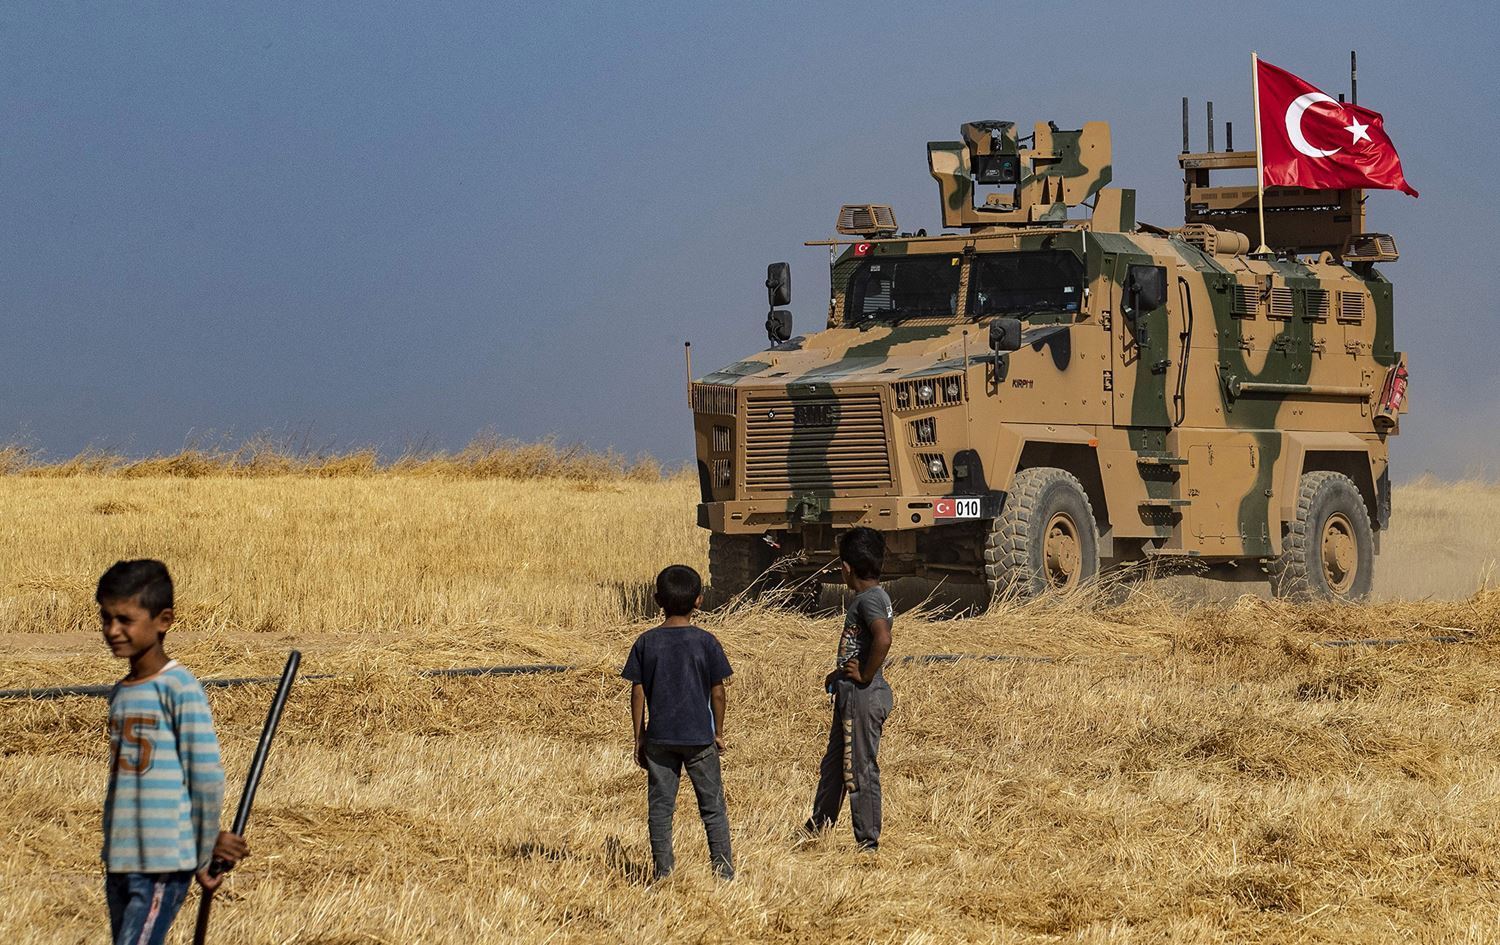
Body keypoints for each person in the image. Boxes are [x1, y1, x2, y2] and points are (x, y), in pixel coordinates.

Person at [97, 559, 248, 945]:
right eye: (106, 618)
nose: (113, 630)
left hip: (164, 861)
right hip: (121, 858)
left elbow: (206, 778)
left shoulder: (179, 688)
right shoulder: (122, 691)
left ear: (163, 620)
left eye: (125, 620)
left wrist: (203, 848)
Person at [621, 564, 734, 881]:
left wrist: (639, 737)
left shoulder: (646, 643)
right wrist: (718, 732)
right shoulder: (707, 642)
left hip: (660, 739)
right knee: (712, 808)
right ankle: (723, 874)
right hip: (700, 738)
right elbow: (718, 693)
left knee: (660, 808)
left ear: (657, 599)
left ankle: (662, 874)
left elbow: (638, 692)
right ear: (699, 600)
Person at [805, 527, 894, 850]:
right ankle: (819, 825)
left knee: (857, 768)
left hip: (862, 696)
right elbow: (863, 644)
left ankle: (867, 841)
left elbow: (882, 638)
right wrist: (840, 672)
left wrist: (864, 675)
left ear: (846, 568)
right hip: (850, 690)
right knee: (835, 764)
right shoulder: (876, 596)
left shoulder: (868, 601)